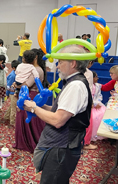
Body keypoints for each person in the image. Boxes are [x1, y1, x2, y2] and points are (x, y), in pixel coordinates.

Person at [23, 45, 92, 183]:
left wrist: (33, 109)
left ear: (73, 63)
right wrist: (38, 106)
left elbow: (58, 120)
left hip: (62, 147)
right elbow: (59, 111)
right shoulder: (73, 82)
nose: (58, 66)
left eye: (60, 62)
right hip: (61, 146)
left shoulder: (76, 86)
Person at [12, 49, 46, 153]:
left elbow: (28, 84)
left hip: (30, 95)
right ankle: (24, 141)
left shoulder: (37, 70)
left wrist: (16, 84)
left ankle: (28, 142)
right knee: (26, 119)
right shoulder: (34, 68)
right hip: (28, 94)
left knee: (28, 119)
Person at [90, 71, 106, 141]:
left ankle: (101, 134)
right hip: (89, 105)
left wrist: (97, 103)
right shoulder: (87, 85)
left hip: (96, 104)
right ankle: (91, 135)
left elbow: (99, 96)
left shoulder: (98, 86)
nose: (97, 78)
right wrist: (93, 104)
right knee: (93, 117)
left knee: (103, 113)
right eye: (96, 77)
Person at [4, 60, 20, 125]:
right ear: (13, 68)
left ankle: (7, 116)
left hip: (15, 93)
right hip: (12, 93)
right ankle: (12, 122)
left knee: (12, 106)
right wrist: (7, 94)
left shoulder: (16, 74)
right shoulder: (12, 76)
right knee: (14, 108)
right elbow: (8, 86)